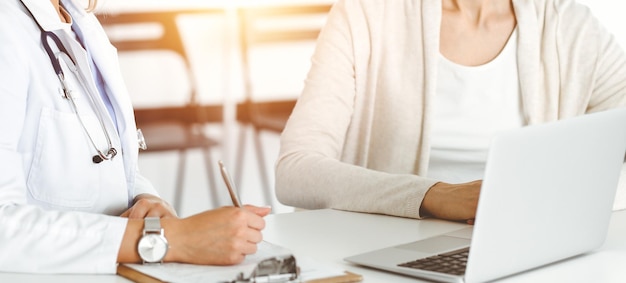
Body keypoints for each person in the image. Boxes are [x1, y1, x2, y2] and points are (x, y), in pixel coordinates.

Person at [275, 0, 626, 223]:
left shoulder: (571, 27)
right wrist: (435, 196)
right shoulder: (368, 14)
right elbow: (295, 170)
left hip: (523, 244)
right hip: (385, 247)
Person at [0, 0, 271, 273]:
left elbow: (105, 157)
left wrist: (147, 202)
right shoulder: (6, 27)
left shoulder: (79, 22)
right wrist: (170, 239)